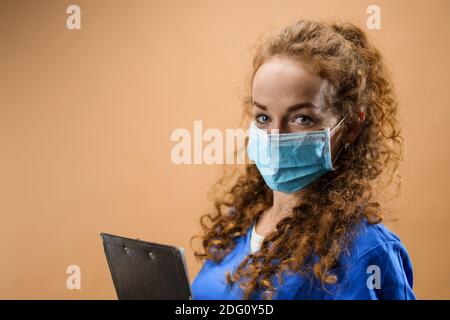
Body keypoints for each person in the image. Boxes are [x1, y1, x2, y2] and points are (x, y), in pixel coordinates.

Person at [189, 19, 416, 300]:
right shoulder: (238, 225)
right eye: (263, 117)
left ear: (351, 126)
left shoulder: (366, 251)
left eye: (301, 119)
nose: (274, 135)